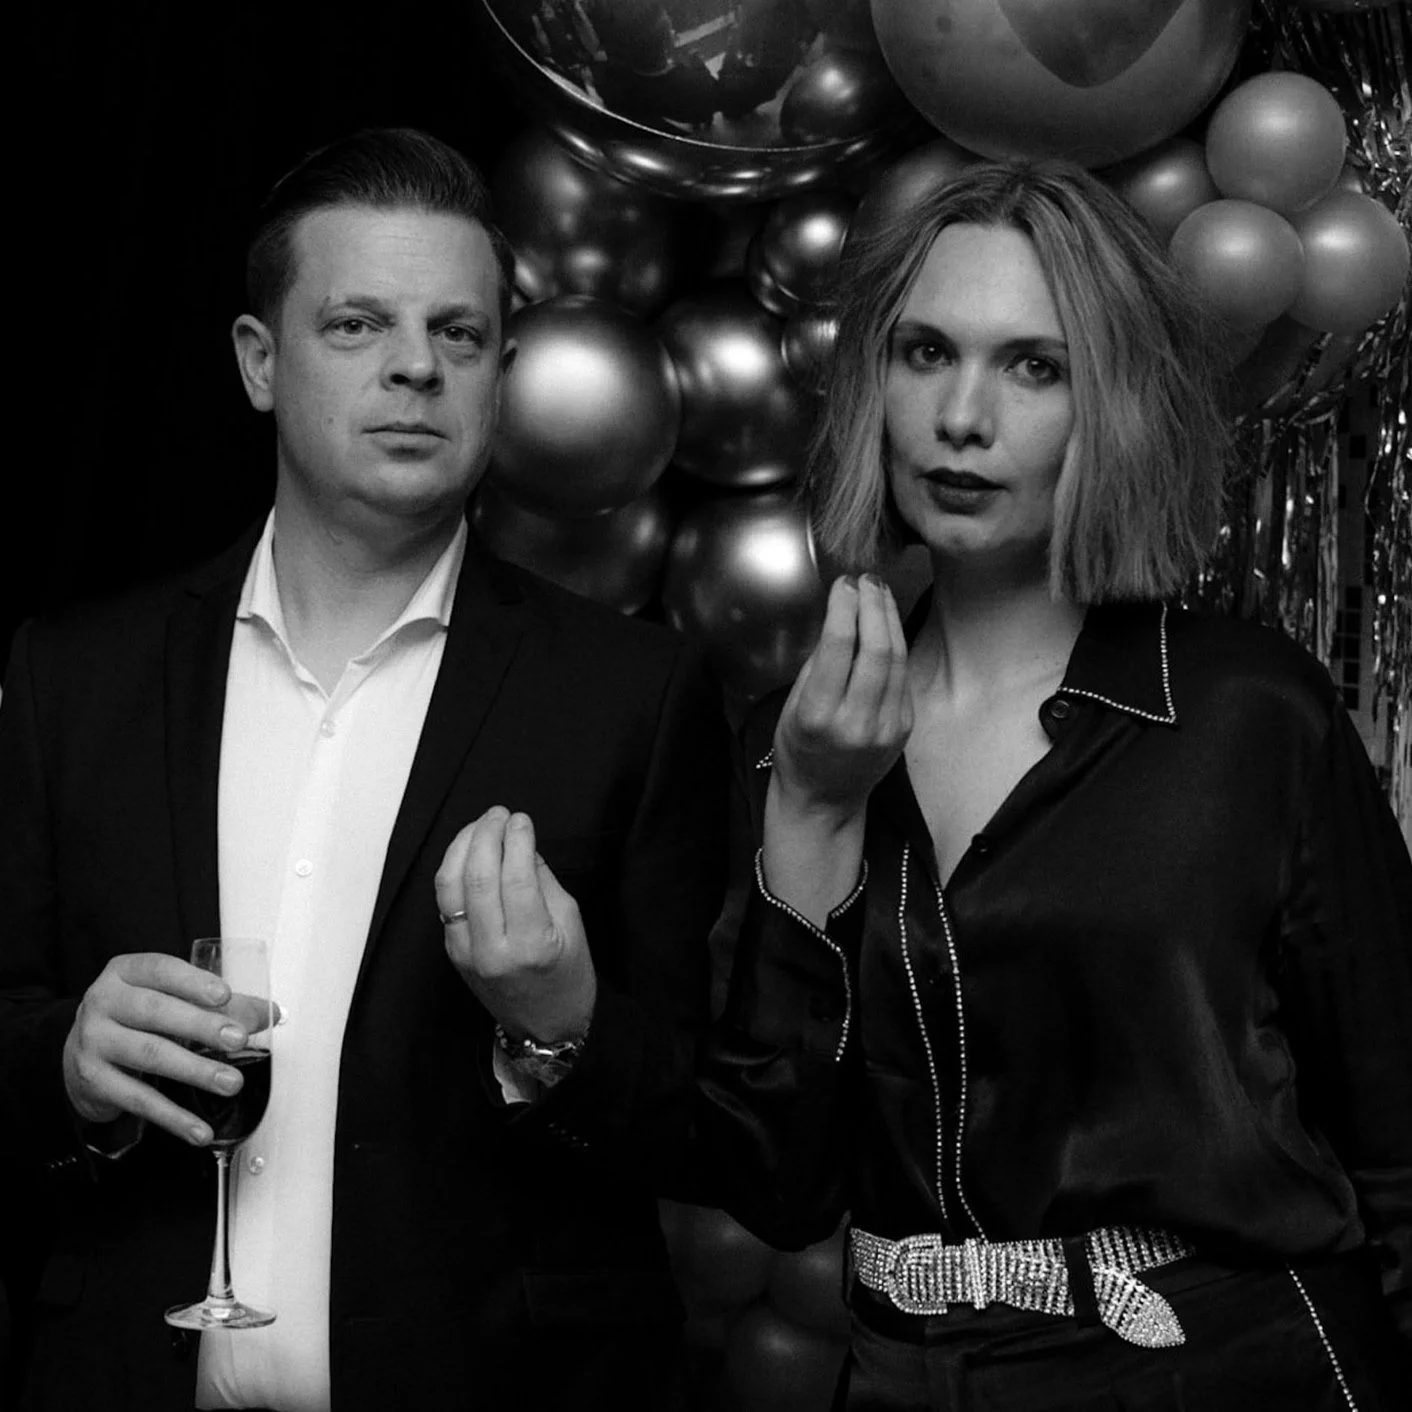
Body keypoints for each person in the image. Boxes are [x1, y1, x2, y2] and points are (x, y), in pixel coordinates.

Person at [484, 161, 1412, 1408]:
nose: (959, 415)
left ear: (1114, 405)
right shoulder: (787, 737)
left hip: (1229, 1372)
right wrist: (811, 808)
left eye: (1033, 365)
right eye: (925, 353)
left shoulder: (1250, 713)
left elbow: (1403, 1149)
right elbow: (778, 1180)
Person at [0, 126, 728, 1411]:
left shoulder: (631, 694)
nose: (414, 366)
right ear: (258, 362)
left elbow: (709, 1127)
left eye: (458, 334)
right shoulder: (78, 679)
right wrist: (67, 1059)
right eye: (357, 325)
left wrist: (559, 1021)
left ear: (500, 374)